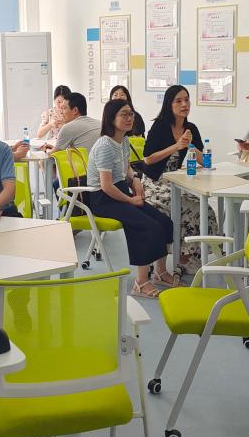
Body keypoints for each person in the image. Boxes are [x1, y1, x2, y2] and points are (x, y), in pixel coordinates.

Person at [86, 99, 175, 298]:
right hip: (103, 199)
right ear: (111, 118)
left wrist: (134, 180)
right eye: (124, 114)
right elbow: (106, 186)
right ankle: (140, 283)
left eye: (131, 114)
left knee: (164, 222)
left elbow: (126, 168)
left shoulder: (123, 140)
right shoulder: (104, 145)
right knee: (145, 225)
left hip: (119, 192)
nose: (129, 118)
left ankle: (160, 272)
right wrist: (130, 200)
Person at [141, 85, 215, 279]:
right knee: (177, 205)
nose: (184, 104)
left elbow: (204, 162)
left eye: (187, 100)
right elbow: (148, 159)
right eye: (178, 101)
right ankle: (175, 259)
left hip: (174, 181)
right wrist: (176, 146)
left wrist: (191, 146)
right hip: (155, 182)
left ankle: (188, 257)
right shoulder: (160, 126)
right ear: (169, 104)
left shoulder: (191, 128)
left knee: (203, 207)